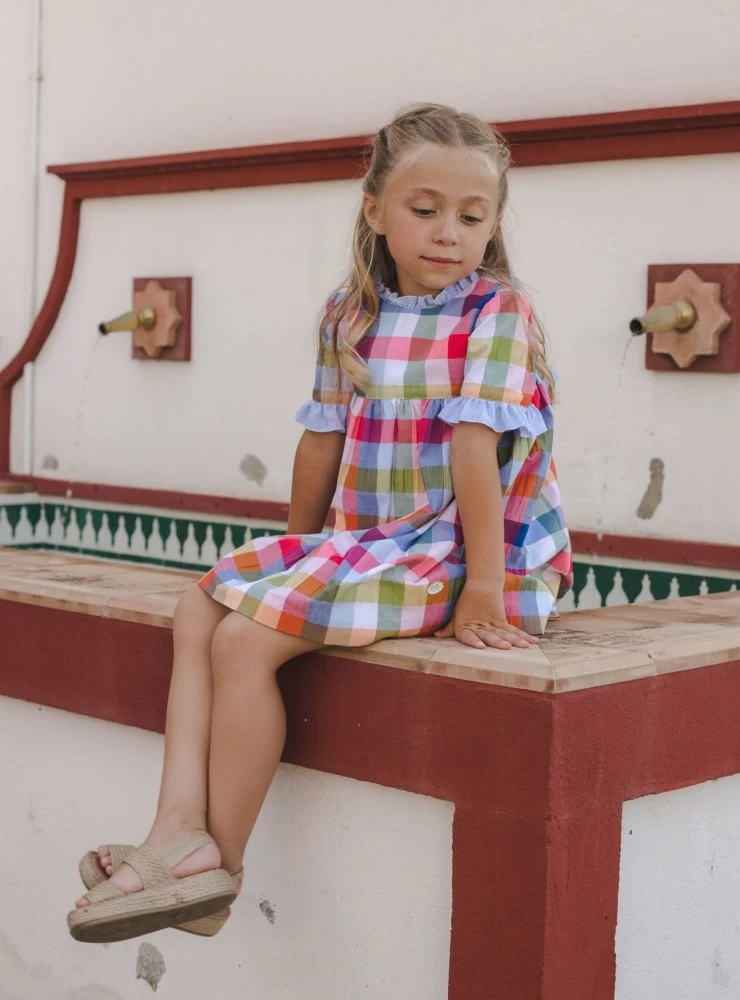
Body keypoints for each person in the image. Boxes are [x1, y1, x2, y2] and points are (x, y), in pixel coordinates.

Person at [68, 103, 572, 943]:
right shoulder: (350, 311)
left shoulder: (497, 313)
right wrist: (293, 552)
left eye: (472, 216)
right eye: (425, 209)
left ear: (493, 223)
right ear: (374, 209)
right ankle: (174, 831)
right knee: (203, 604)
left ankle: (211, 870)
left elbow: (475, 450)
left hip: (465, 551)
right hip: (373, 546)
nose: (449, 231)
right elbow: (320, 443)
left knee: (246, 639)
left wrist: (484, 589)